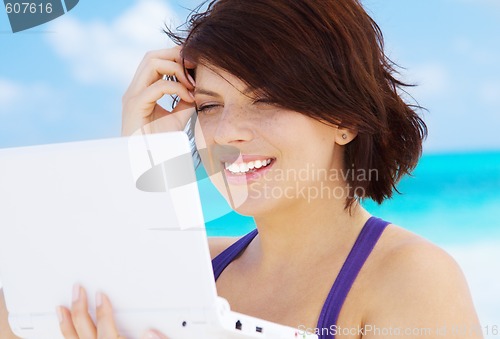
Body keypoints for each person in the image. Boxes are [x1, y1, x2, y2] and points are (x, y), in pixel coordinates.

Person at [0, 0, 482, 338]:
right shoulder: (184, 270)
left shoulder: (411, 279)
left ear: (345, 119)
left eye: (267, 100)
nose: (228, 132)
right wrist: (142, 160)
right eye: (209, 106)